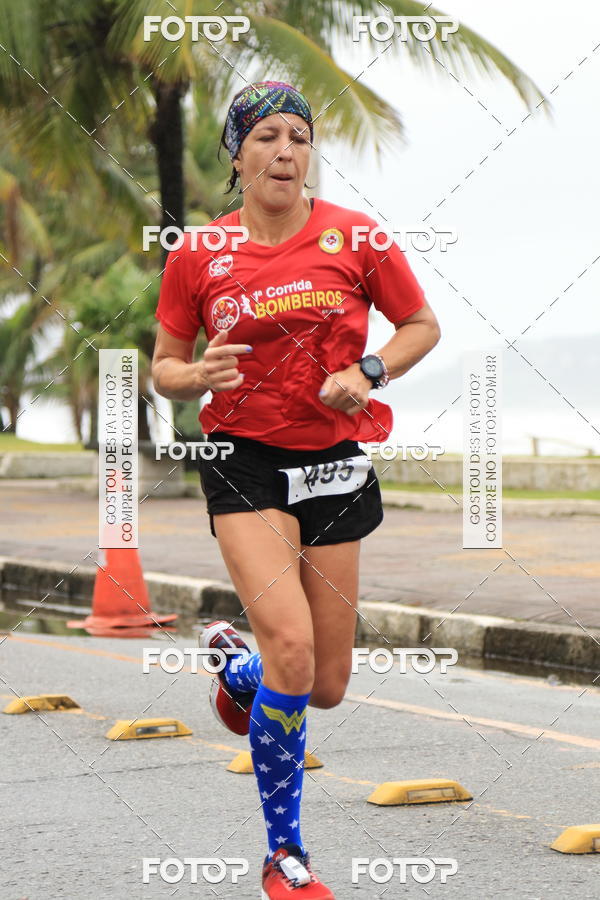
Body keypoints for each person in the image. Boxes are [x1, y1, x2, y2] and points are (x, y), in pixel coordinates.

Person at [151, 80, 440, 899]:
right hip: (244, 460)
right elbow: (165, 365)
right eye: (269, 137)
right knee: (292, 647)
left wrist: (369, 370)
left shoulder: (358, 237)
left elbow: (422, 326)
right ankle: (285, 855)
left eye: (300, 138)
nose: (287, 151)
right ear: (237, 155)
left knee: (325, 684)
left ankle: (235, 671)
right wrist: (192, 374)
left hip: (333, 466)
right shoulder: (197, 253)